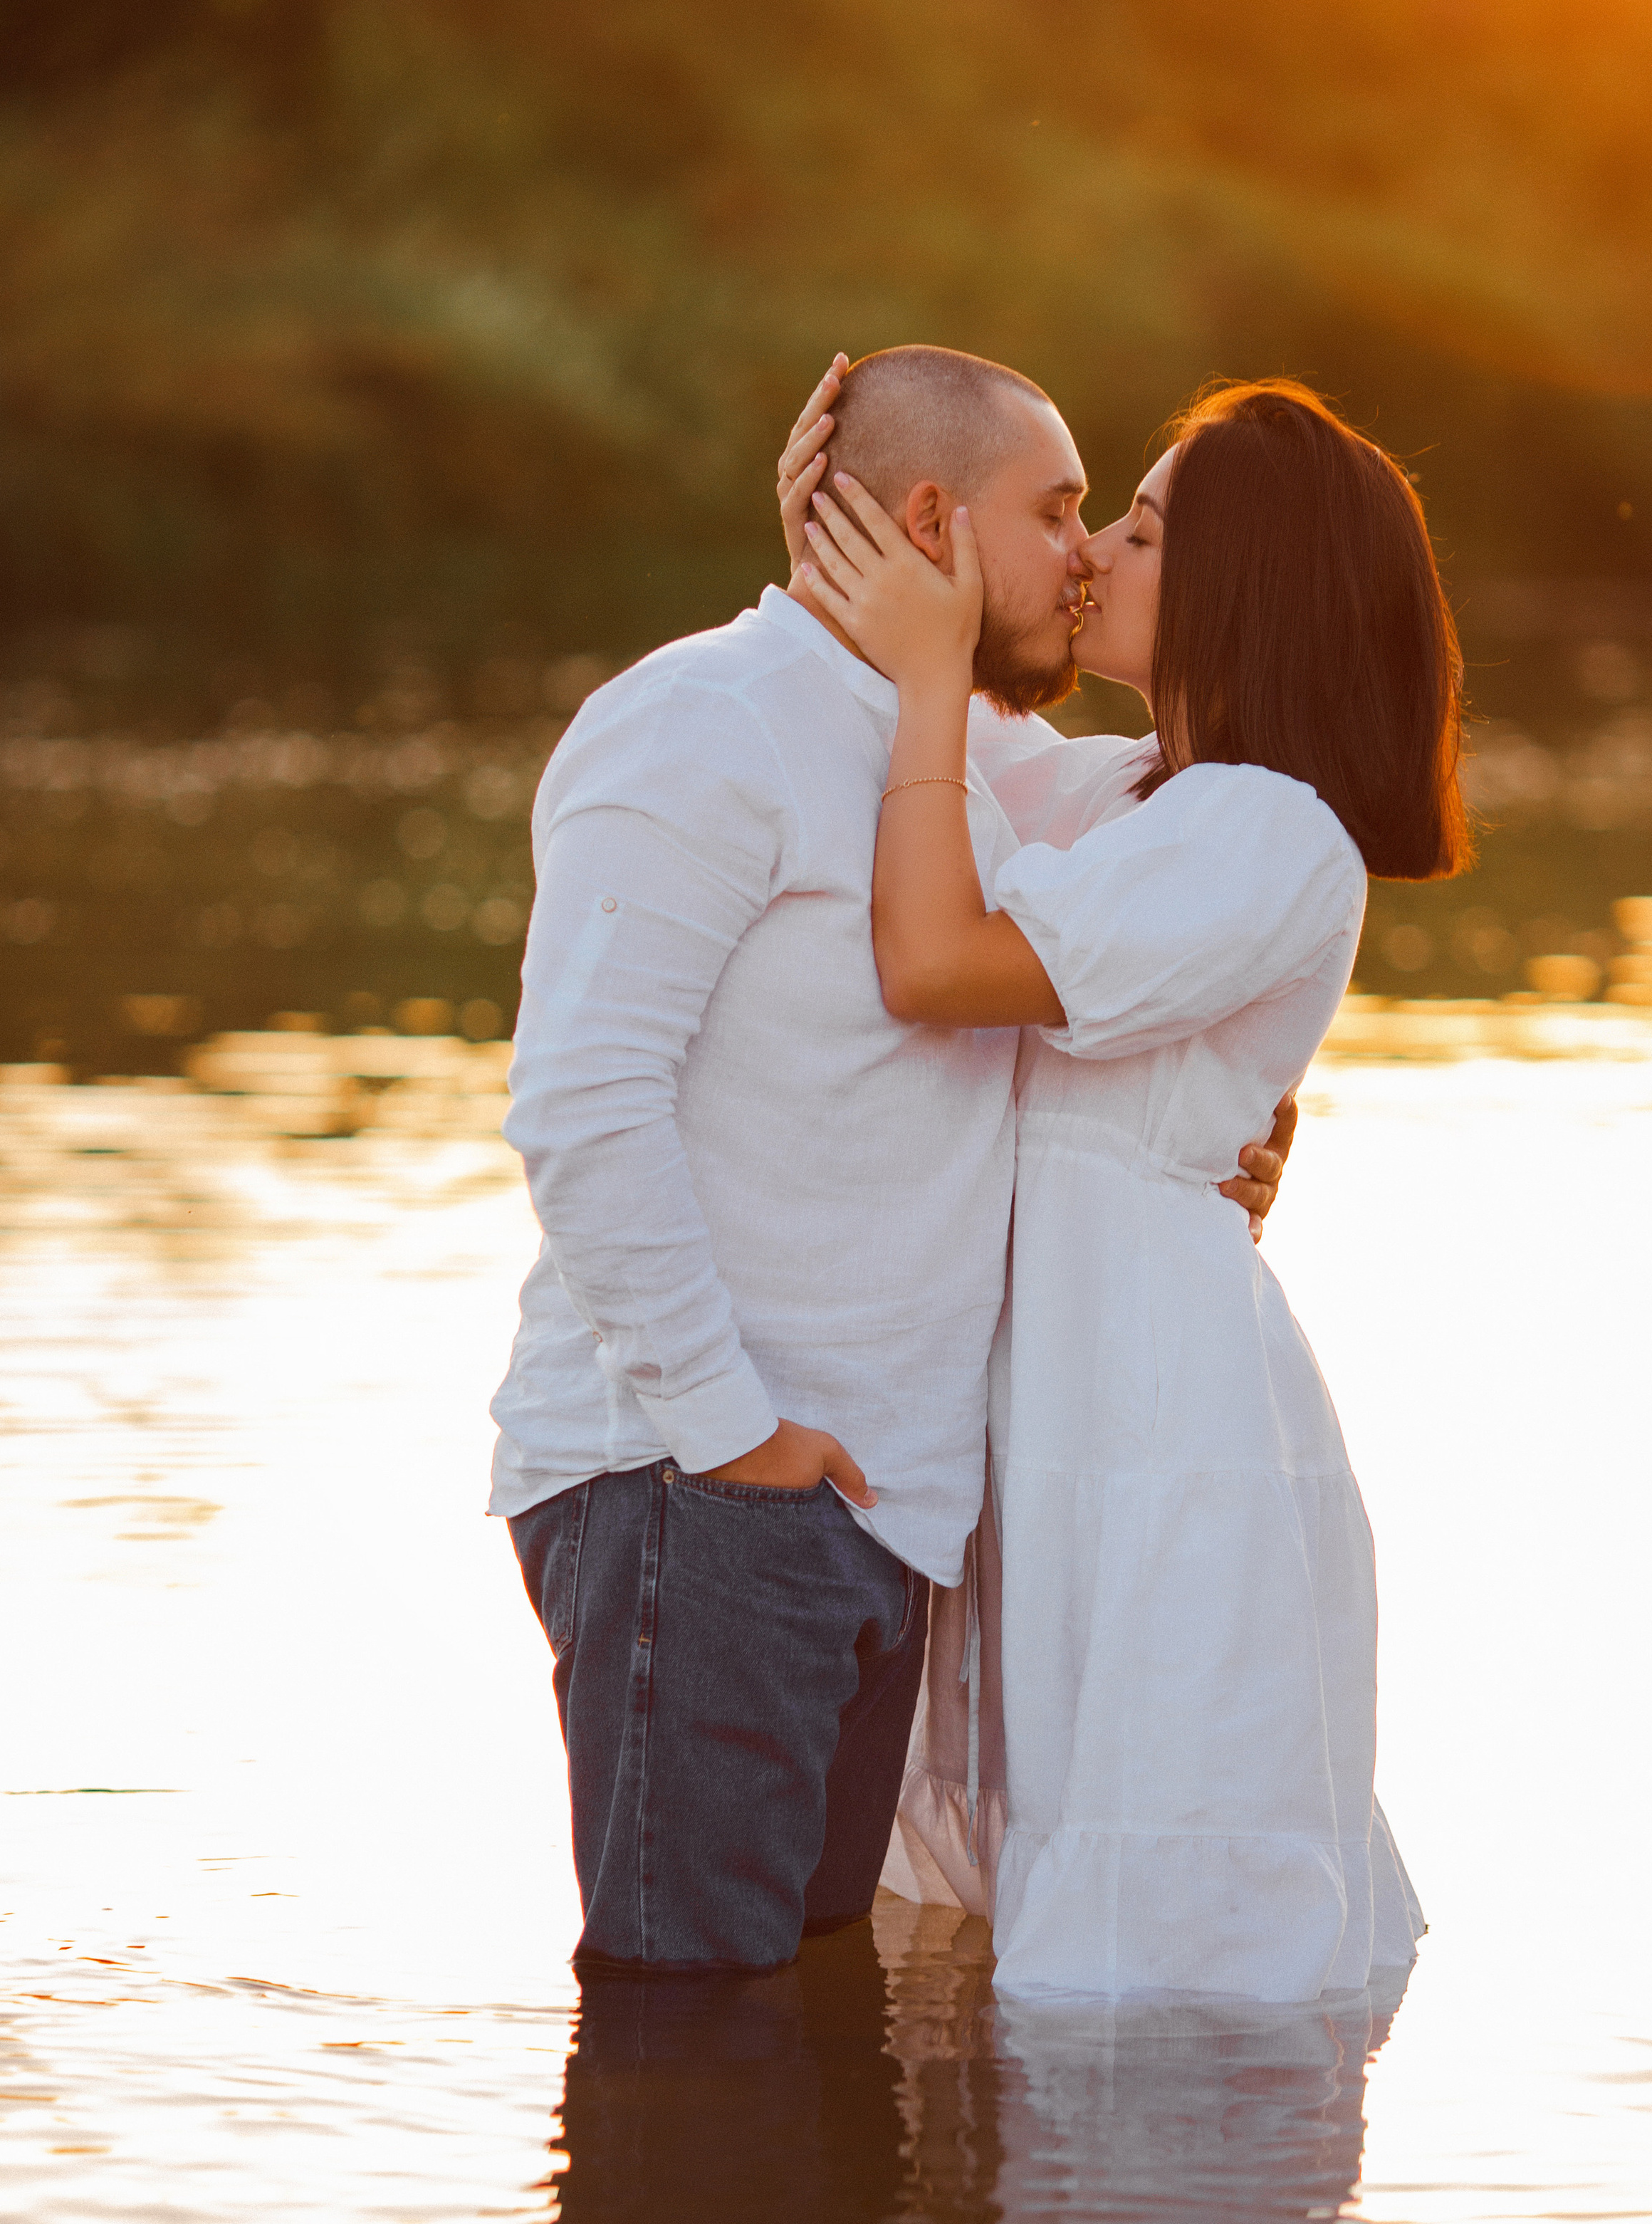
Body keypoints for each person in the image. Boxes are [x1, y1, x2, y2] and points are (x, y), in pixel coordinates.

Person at [490, 345, 1294, 1978]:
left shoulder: (968, 772)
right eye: (1059, 510)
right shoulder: (699, 724)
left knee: (803, 2019)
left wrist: (1214, 1131)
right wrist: (729, 1438)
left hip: (873, 1515)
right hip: (699, 1485)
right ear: (929, 516)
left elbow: (1191, 867)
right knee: (685, 2030)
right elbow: (582, 1102)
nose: (1083, 553)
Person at [786, 377, 1465, 2001]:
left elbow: (940, 956)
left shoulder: (1264, 828)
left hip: (1156, 1414)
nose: (1092, 552)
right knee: (1033, 1876)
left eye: (1141, 529)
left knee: (1159, 1905)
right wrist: (859, 534)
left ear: (1240, 587)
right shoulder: (1131, 795)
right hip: (1069, 1390)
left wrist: (940, 661)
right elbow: (914, 759)